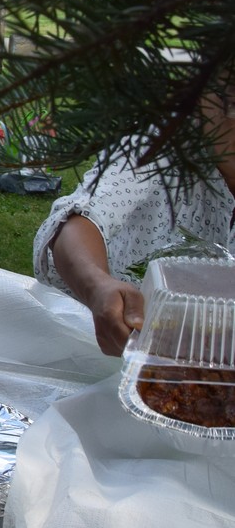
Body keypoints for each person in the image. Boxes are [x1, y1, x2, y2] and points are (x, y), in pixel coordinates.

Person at [33, 97, 235, 356]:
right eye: (228, 103)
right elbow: (80, 217)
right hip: (116, 352)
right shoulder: (160, 141)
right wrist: (98, 286)